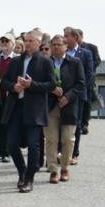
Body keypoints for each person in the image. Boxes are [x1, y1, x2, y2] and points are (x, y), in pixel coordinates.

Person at [0, 31, 55, 193]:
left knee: (33, 144)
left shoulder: (45, 61)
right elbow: (4, 81)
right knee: (11, 143)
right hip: (16, 106)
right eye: (26, 40)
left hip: (35, 108)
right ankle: (22, 171)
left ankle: (29, 178)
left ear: (39, 43)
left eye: (31, 41)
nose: (28, 43)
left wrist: (31, 85)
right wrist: (13, 87)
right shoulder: (16, 61)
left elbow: (51, 85)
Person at [44, 36, 85, 183]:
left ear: (66, 46)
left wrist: (67, 97)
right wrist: (52, 89)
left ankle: (65, 167)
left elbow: (81, 84)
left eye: (58, 45)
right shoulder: (46, 62)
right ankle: (53, 170)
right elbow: (41, 83)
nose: (55, 47)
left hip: (69, 106)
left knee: (68, 139)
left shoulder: (75, 62)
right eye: (53, 45)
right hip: (50, 107)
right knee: (51, 140)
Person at [63, 28, 94, 165]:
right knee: (61, 124)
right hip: (62, 95)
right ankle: (60, 152)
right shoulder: (62, 52)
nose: (64, 39)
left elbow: (89, 74)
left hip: (79, 95)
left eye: (66, 36)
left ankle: (74, 153)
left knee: (76, 124)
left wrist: (78, 89)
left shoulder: (86, 53)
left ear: (75, 37)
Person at [0, 33, 16, 163]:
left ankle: (6, 151)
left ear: (13, 44)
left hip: (12, 96)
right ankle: (0, 150)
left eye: (7, 41)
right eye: (3, 41)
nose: (5, 43)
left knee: (8, 124)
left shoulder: (17, 59)